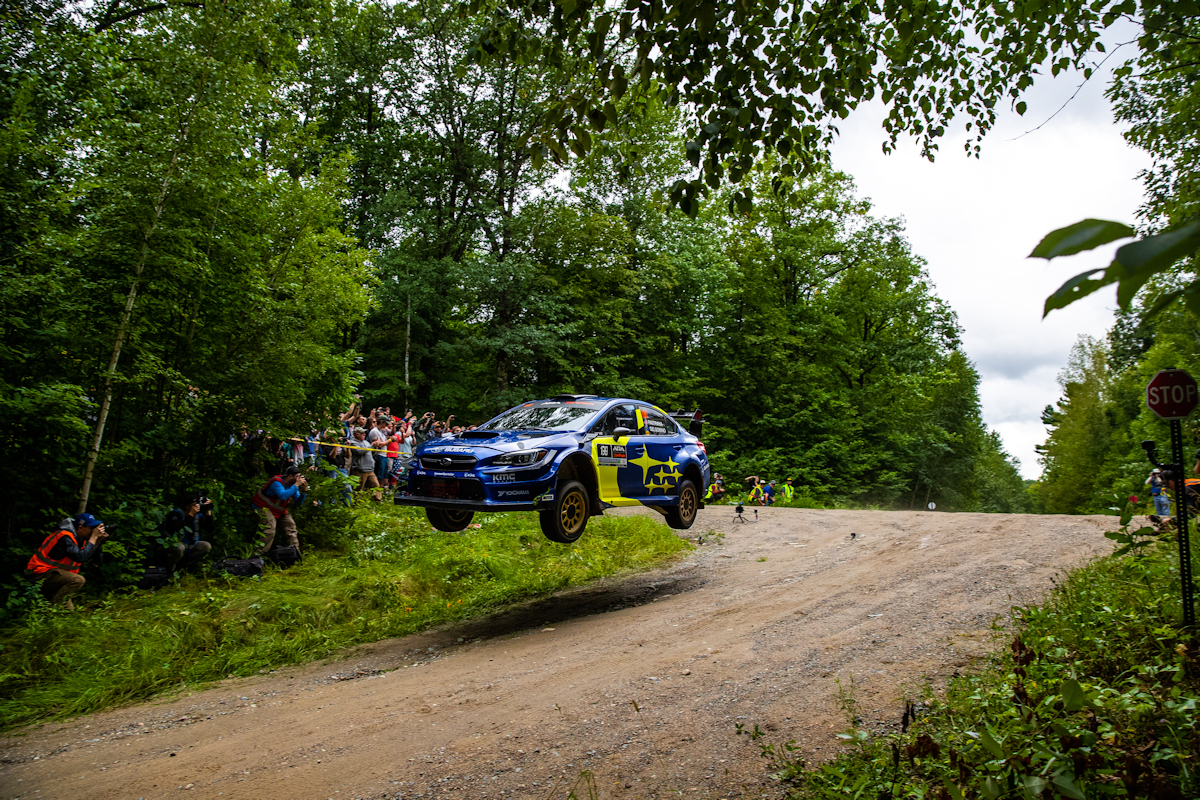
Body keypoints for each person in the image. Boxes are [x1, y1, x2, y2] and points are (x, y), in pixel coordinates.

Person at [26, 513, 108, 609]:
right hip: (40, 573)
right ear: (81, 528)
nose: (93, 532)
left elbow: (97, 562)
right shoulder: (64, 537)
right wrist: (93, 538)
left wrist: (97, 542)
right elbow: (81, 557)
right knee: (78, 580)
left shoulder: (80, 539)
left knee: (69, 614)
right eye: (91, 529)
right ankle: (52, 610)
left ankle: (52, 608)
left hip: (57, 576)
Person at [250, 464, 308, 555]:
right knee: (270, 528)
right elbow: (283, 495)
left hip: (278, 510)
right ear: (290, 476)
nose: (298, 479)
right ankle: (259, 555)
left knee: (291, 526)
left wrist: (304, 491)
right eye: (297, 477)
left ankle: (295, 553)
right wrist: (296, 485)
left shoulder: (292, 486)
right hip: (262, 507)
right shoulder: (277, 482)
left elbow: (298, 503)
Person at [160, 494, 214, 571]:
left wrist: (208, 513)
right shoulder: (176, 514)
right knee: (179, 547)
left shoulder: (197, 516)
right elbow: (179, 529)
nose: (197, 507)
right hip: (167, 548)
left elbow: (210, 529)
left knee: (206, 546)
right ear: (187, 506)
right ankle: (169, 569)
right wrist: (190, 515)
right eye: (195, 505)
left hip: (187, 547)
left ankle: (182, 567)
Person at [348, 426, 382, 500]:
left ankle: (378, 501)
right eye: (362, 433)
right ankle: (357, 504)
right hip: (361, 469)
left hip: (370, 469)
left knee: (377, 486)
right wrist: (371, 445)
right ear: (356, 434)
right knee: (358, 489)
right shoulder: (353, 443)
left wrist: (375, 447)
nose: (364, 434)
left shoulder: (366, 442)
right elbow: (360, 452)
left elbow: (371, 453)